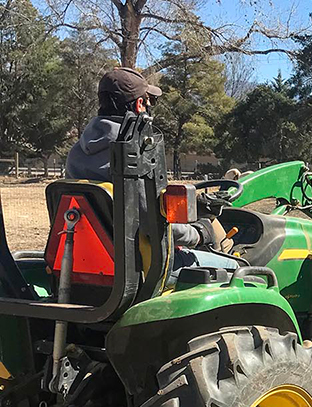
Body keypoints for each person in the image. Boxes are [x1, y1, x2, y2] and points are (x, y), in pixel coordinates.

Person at [66, 67, 238, 275]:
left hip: (87, 261)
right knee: (234, 267)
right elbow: (152, 225)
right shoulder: (132, 155)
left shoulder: (77, 152)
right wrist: (199, 233)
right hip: (140, 268)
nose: (150, 107)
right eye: (149, 102)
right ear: (140, 105)